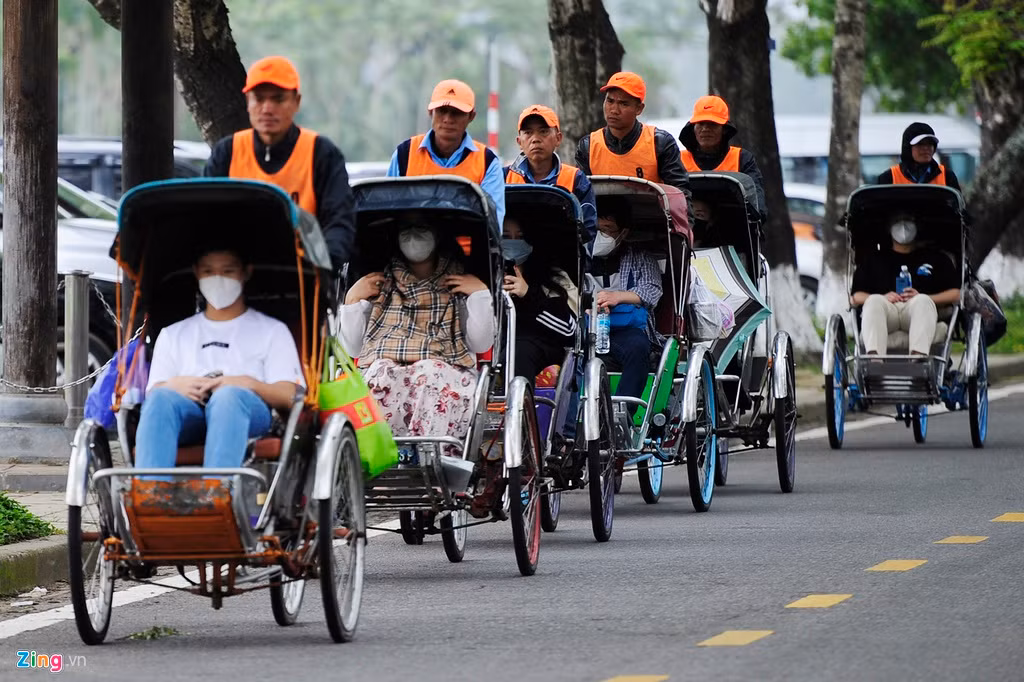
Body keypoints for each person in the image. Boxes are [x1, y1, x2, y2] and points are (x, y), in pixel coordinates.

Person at [337, 223, 498, 517]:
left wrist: (480, 295)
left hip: (447, 367)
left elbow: (480, 342)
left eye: (422, 227)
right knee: (377, 375)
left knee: (428, 373)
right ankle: (384, 468)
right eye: (406, 228)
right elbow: (354, 350)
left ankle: (428, 469)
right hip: (389, 364)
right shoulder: (378, 282)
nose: (413, 236)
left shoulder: (460, 281)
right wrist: (352, 299)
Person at [136, 246, 306, 472]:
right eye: (209, 272)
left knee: (228, 397)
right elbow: (154, 392)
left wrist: (246, 383)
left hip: (246, 410)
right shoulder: (173, 334)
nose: (218, 279)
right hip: (189, 412)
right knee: (160, 398)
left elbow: (291, 394)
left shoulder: (272, 330)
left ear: (245, 272)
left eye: (227, 271)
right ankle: (149, 493)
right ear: (197, 273)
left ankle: (218, 491)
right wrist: (173, 385)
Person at [204, 56, 355, 271]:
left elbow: (338, 222)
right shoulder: (227, 153)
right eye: (258, 99)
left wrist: (324, 267)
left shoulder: (321, 153)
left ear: (297, 102)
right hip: (236, 278)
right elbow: (207, 219)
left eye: (278, 99)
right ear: (248, 102)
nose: (267, 108)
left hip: (302, 278)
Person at [387, 79, 506, 225]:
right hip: (412, 244)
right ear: (431, 112)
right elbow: (388, 212)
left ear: (471, 117)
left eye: (456, 113)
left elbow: (493, 225)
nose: (448, 119)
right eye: (442, 111)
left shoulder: (487, 162)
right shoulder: (403, 155)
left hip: (470, 247)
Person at [575, 72, 692, 206]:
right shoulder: (588, 146)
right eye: (610, 101)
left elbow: (680, 194)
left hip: (651, 222)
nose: (614, 110)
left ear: (639, 109)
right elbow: (582, 198)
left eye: (623, 104)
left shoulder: (659, 143)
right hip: (602, 223)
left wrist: (683, 227)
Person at [851, 214, 961, 356]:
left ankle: (918, 358)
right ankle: (874, 360)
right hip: (887, 312)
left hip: (919, 311)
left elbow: (956, 293)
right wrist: (882, 297)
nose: (903, 226)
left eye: (909, 220)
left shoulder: (937, 259)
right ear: (889, 227)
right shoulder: (873, 260)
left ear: (918, 226)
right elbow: (855, 297)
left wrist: (926, 297)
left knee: (922, 301)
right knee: (873, 301)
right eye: (897, 220)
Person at [591, 198, 663, 412]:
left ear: (622, 233)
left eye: (608, 230)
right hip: (586, 327)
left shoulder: (640, 257)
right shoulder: (579, 257)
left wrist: (618, 297)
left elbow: (652, 290)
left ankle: (622, 415)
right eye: (596, 228)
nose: (600, 235)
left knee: (638, 349)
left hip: (626, 329)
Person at [504, 105, 597, 252]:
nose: (535, 139)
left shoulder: (576, 179)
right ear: (519, 142)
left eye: (543, 131)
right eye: (528, 132)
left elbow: (588, 236)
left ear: (558, 138)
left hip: (562, 266)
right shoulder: (503, 177)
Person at [502, 216, 579, 383]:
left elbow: (570, 330)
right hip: (494, 350)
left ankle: (518, 407)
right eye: (506, 237)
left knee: (519, 350)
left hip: (538, 350)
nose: (513, 243)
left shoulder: (554, 279)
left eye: (520, 237)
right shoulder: (481, 277)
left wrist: (527, 294)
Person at [678, 95, 766, 214]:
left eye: (712, 124)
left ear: (724, 129)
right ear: (693, 127)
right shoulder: (678, 159)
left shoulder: (742, 158)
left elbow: (757, 204)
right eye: (700, 123)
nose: (705, 129)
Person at [876, 122, 963, 190]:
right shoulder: (888, 178)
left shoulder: (947, 176)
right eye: (920, 144)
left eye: (930, 144)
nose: (926, 148)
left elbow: (959, 211)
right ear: (908, 148)